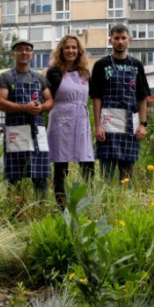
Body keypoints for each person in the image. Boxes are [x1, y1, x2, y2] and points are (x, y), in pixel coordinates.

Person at [90, 23, 151, 182]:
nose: (120, 41)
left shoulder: (137, 65)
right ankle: (106, 199)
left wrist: (143, 124)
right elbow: (97, 98)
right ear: (110, 40)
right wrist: (98, 126)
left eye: (123, 38)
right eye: (116, 38)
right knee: (106, 176)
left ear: (128, 40)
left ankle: (126, 198)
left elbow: (142, 97)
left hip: (131, 125)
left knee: (127, 177)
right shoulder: (101, 65)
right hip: (107, 125)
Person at [0, 39, 53, 197]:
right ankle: (15, 207)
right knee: (15, 178)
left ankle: (41, 206)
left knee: (40, 176)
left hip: (37, 131)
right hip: (16, 131)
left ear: (32, 54)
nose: (24, 52)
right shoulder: (6, 78)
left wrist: (41, 107)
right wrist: (25, 108)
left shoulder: (39, 78)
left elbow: (50, 101)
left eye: (27, 49)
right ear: (13, 54)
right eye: (19, 49)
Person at [46, 35, 94, 206]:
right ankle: (62, 206)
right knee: (61, 167)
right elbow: (47, 98)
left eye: (74, 47)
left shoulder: (85, 74)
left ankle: (90, 203)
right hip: (61, 122)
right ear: (61, 50)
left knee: (87, 163)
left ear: (79, 51)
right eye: (67, 47)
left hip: (81, 121)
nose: (71, 51)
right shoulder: (54, 73)